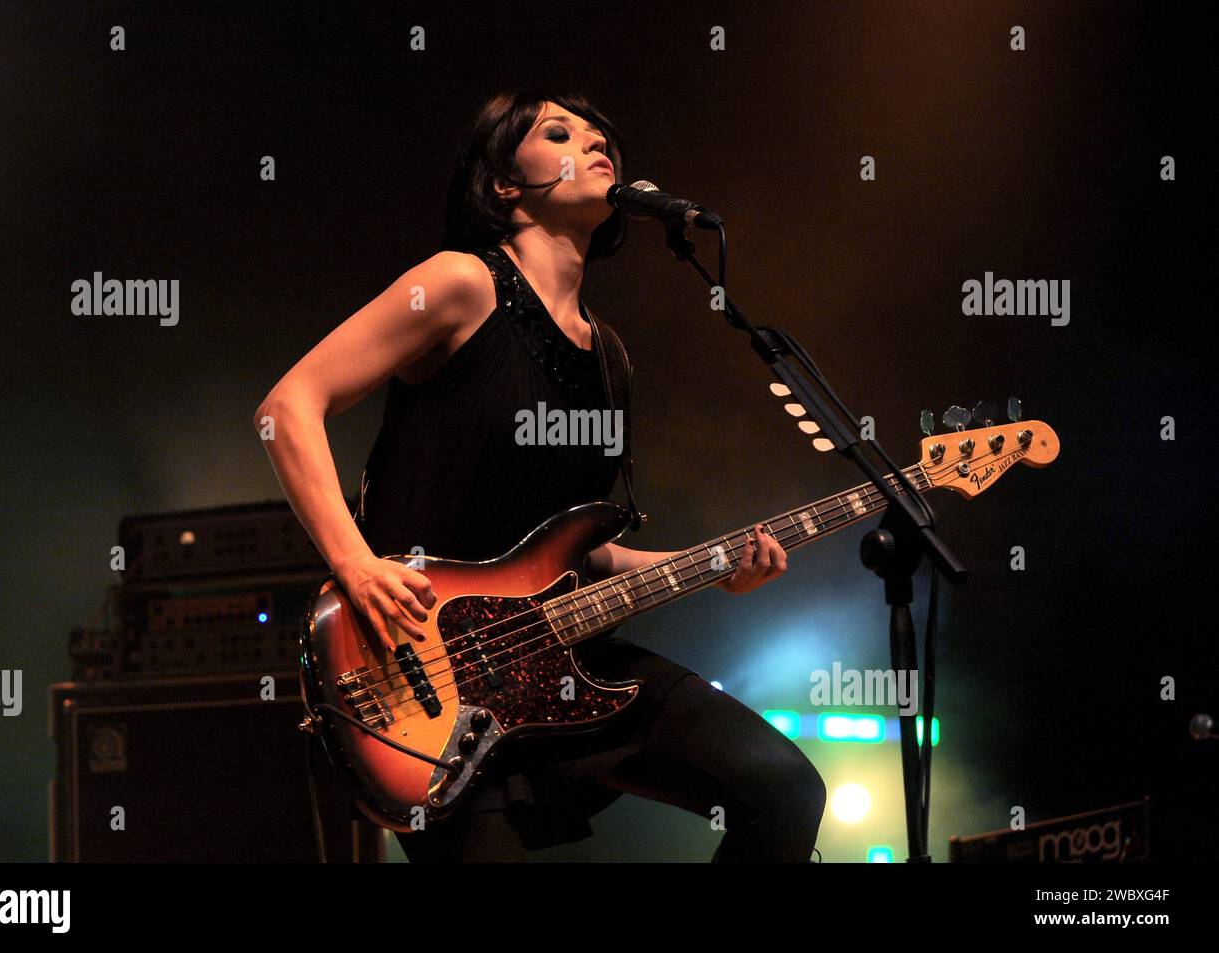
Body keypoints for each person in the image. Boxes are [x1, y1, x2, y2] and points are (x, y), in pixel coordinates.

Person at [254, 87, 826, 861]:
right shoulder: (461, 283)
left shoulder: (610, 356)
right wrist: (354, 563)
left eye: (602, 137)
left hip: (563, 658)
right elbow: (289, 404)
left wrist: (719, 568)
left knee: (782, 785)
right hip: (427, 680)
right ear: (504, 184)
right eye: (560, 133)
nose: (596, 145)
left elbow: (580, 549)